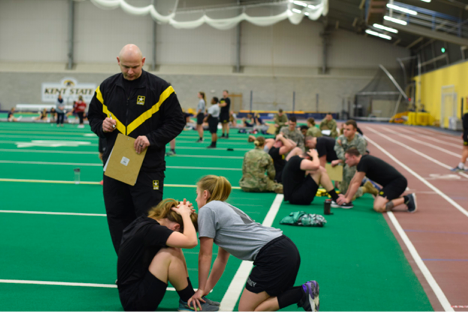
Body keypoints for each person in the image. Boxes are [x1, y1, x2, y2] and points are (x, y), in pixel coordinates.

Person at [87, 44, 185, 254]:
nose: (130, 72)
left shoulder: (160, 88)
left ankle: (148, 267)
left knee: (148, 218)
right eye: (125, 67)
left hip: (149, 167)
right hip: (115, 165)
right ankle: (126, 265)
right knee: (116, 216)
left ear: (143, 61)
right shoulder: (106, 87)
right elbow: (93, 116)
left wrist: (151, 138)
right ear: (118, 61)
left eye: (134, 66)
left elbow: (177, 122)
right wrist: (101, 127)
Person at [187, 175, 320, 312]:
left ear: (205, 194)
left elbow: (205, 254)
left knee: (246, 310)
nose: (196, 199)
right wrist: (206, 290)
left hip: (273, 255)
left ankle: (301, 293)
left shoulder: (207, 209)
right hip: (285, 250)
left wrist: (201, 288)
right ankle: (302, 292)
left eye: (197, 194)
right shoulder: (223, 209)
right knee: (257, 306)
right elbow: (221, 259)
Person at [117, 198, 220, 312]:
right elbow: (192, 241)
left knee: (174, 247)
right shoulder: (153, 230)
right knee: (169, 254)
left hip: (132, 294)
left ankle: (190, 297)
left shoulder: (146, 222)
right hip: (135, 303)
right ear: (176, 227)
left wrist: (183, 212)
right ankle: (188, 301)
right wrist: (185, 215)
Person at [337, 148, 417, 213]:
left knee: (378, 207)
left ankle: (407, 198)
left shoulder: (364, 161)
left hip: (397, 183)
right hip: (389, 185)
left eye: (347, 159)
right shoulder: (362, 162)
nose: (346, 162)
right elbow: (353, 181)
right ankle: (400, 198)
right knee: (379, 202)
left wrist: (347, 200)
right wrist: (345, 196)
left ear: (353, 157)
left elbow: (357, 183)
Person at [331, 120, 371, 208]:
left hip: (356, 165)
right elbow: (338, 151)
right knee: (340, 185)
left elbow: (358, 158)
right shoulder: (341, 138)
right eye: (344, 129)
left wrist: (340, 160)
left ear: (354, 130)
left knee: (351, 191)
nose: (345, 131)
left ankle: (364, 189)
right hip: (345, 161)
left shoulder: (361, 141)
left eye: (348, 129)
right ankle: (363, 188)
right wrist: (342, 160)